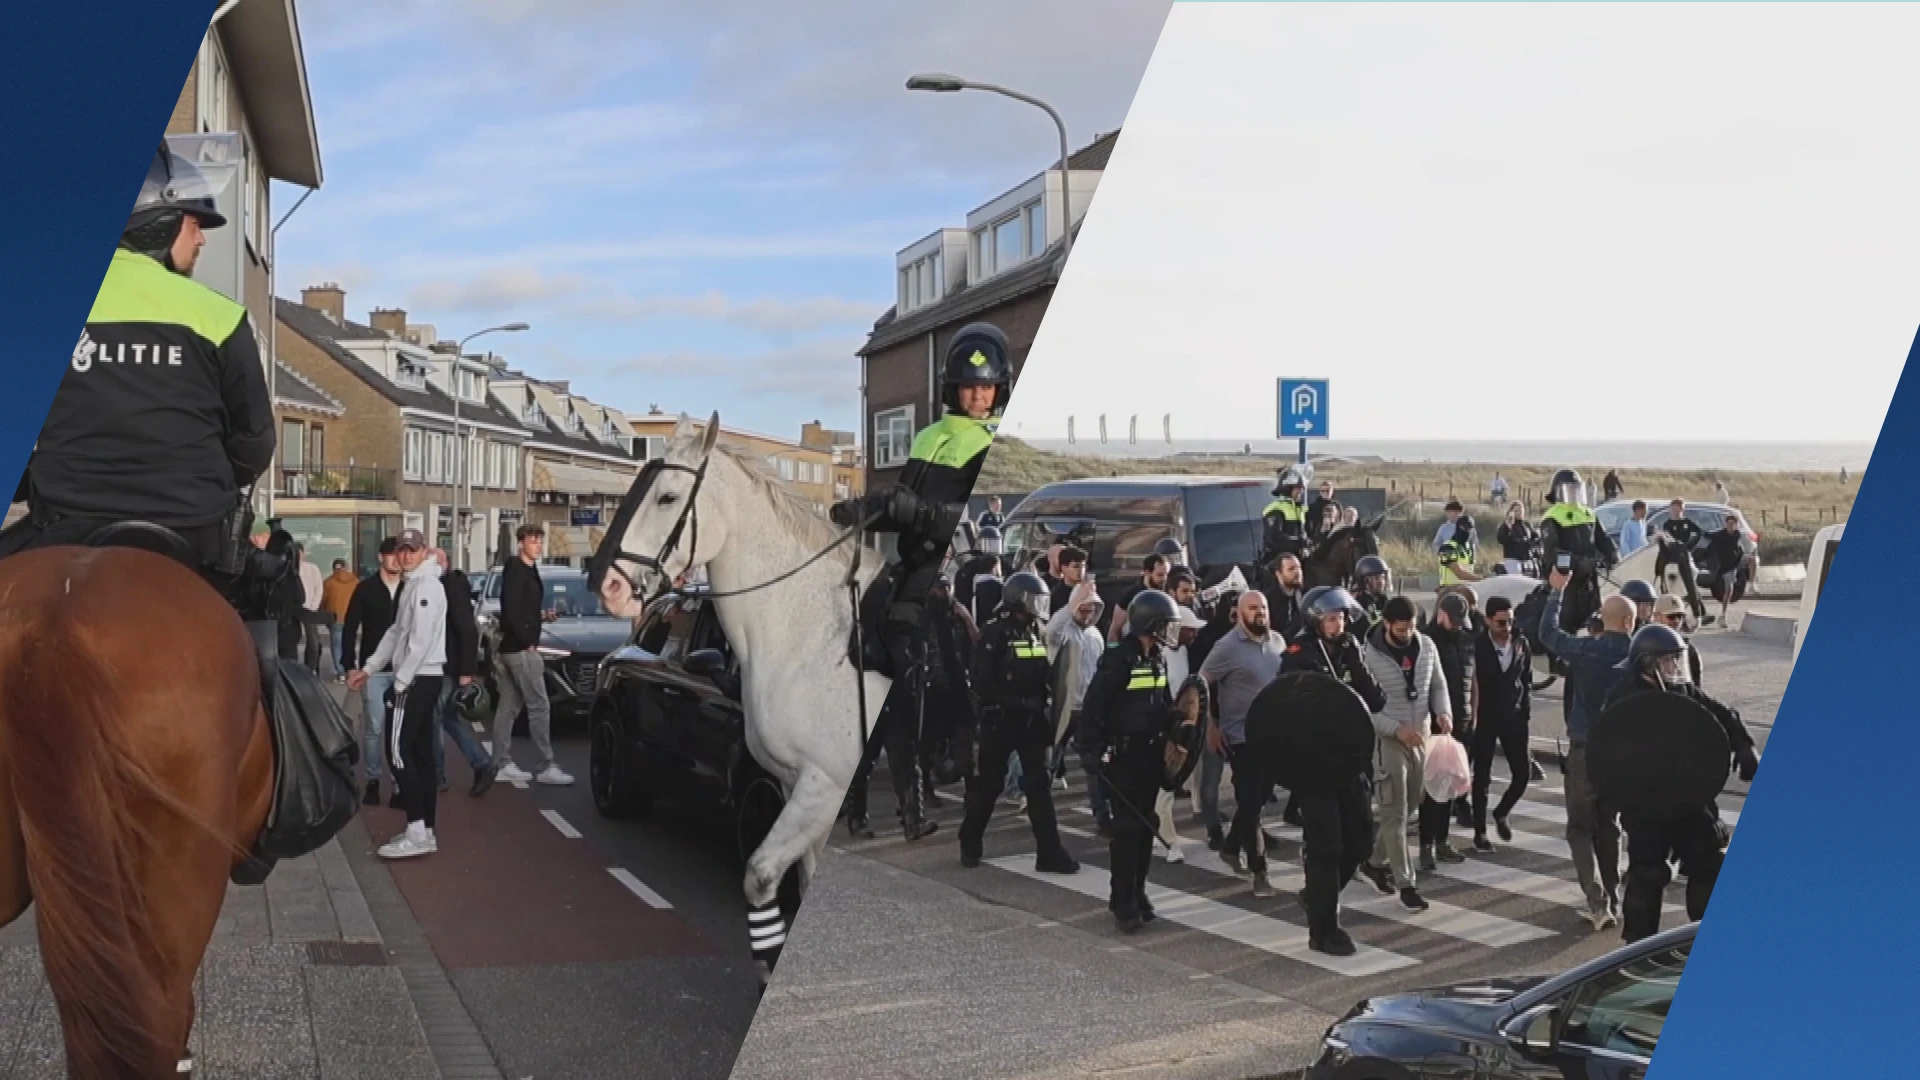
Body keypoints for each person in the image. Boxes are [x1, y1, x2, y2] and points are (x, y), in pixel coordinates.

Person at [0, 143, 279, 667]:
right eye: (195, 224)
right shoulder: (218, 316)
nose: (199, 240)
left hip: (62, 522)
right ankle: (307, 740)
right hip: (193, 532)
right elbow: (254, 441)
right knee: (262, 652)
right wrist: (213, 479)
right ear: (159, 223)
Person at [830, 322, 1010, 837]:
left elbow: (954, 512)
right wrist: (861, 511)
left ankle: (926, 791)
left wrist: (920, 510)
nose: (979, 395)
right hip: (908, 574)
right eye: (970, 386)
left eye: (988, 386)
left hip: (940, 575)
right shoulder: (931, 437)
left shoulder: (994, 440)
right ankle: (871, 805)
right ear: (953, 388)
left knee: (940, 679)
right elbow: (901, 508)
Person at [1602, 624, 1758, 942]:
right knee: (1648, 874)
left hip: (1689, 797)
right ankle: (1638, 946)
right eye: (1668, 661)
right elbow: (1609, 752)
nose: (1676, 668)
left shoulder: (1682, 692)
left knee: (1709, 863)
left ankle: (1703, 936)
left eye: (1677, 660)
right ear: (1647, 663)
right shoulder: (1623, 700)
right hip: (1648, 803)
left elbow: (1721, 714)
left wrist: (1743, 745)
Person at [1279, 586, 1388, 956]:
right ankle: (1324, 930)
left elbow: (1376, 700)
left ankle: (1315, 897)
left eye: (1341, 617)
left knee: (1359, 841)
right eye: (1330, 617)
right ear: (1315, 619)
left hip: (1350, 759)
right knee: (1326, 848)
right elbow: (1288, 704)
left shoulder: (1349, 648)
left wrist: (1357, 664)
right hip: (1315, 764)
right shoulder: (1300, 653)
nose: (1338, 623)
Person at [960, 572, 1077, 874]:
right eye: (1033, 599)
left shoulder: (1036, 631)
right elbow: (982, 682)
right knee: (990, 785)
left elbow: (1045, 671)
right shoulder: (995, 633)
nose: (1038, 605)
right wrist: (1015, 701)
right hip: (999, 721)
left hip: (1031, 721)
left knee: (1038, 786)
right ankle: (970, 839)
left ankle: (1050, 852)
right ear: (1017, 599)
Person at [1082, 589, 1185, 933]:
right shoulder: (1118, 659)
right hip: (1123, 756)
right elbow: (1094, 706)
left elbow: (1165, 702)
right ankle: (1122, 901)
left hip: (1150, 754)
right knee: (1127, 829)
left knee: (1145, 825)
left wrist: (1178, 725)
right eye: (1164, 625)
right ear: (1148, 624)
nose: (1169, 632)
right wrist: (1091, 752)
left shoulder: (1156, 657)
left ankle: (1138, 893)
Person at [1538, 573, 1635, 930]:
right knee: (1610, 825)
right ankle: (1613, 896)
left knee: (1580, 828)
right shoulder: (1638, 654)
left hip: (1584, 749)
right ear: (1629, 622)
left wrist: (1556, 592)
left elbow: (1547, 635)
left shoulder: (1586, 651)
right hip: (1620, 754)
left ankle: (1597, 902)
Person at [348, 530, 447, 860]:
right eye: (401, 550)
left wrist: (401, 682)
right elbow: (396, 632)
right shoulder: (413, 585)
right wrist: (371, 667)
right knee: (419, 755)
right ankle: (425, 830)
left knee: (398, 752)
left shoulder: (426, 588)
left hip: (417, 677)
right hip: (421, 676)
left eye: (411, 550)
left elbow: (419, 639)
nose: (405, 556)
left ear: (422, 553)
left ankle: (418, 830)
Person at [1354, 597, 1451, 912]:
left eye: (1411, 626)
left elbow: (1438, 685)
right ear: (1387, 625)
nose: (1408, 633)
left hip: (1419, 737)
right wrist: (1396, 729)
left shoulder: (1427, 646)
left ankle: (1373, 861)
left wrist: (1443, 713)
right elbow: (1363, 707)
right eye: (1401, 628)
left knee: (1410, 807)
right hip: (1388, 741)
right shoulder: (1367, 656)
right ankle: (1406, 884)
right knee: (1394, 813)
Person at [1201, 591, 1289, 897]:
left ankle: (1230, 846)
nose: (1260, 612)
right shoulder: (1226, 647)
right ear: (1239, 613)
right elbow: (1200, 684)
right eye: (1253, 608)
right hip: (1240, 737)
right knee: (1251, 803)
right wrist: (1211, 725)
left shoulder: (1278, 642)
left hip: (1275, 735)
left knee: (1259, 798)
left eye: (1263, 607)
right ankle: (1259, 871)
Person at [493, 524, 573, 787]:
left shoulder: (527, 569)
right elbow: (511, 611)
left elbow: (523, 609)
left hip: (513, 647)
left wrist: (542, 616)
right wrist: (528, 642)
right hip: (520, 649)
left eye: (540, 540)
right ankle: (546, 764)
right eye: (533, 540)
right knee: (539, 704)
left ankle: (501, 762)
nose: (538, 545)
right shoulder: (516, 570)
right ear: (521, 543)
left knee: (509, 706)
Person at [342, 538, 405, 804]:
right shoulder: (365, 589)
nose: (396, 560)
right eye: (391, 555)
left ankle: (399, 783)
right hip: (374, 671)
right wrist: (349, 665)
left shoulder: (409, 588)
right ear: (381, 557)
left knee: (400, 730)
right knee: (375, 727)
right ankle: (373, 779)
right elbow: (349, 627)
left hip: (404, 669)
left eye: (399, 554)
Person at [430, 548, 495, 797]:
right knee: (448, 719)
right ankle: (481, 763)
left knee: (433, 720)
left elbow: (466, 629)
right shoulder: (442, 586)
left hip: (447, 665)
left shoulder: (451, 587)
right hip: (446, 663)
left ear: (443, 563)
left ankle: (438, 775)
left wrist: (466, 671)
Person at [1469, 596, 1532, 852]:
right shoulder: (1477, 646)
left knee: (1523, 773)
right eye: (1500, 623)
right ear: (1487, 621)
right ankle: (1480, 832)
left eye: (1510, 621)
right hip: (1485, 717)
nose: (1506, 628)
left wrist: (1525, 710)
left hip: (1514, 716)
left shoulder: (1520, 642)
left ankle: (1502, 812)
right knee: (1481, 776)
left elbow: (1526, 679)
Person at [1046, 579, 1109, 831]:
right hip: (1064, 705)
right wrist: (1074, 602)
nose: (1088, 614)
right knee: (1051, 759)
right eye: (1083, 609)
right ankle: (1033, 800)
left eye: (1092, 609)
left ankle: (1102, 815)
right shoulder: (1064, 631)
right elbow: (1051, 633)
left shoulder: (1095, 635)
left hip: (1088, 710)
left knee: (1094, 764)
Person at [1538, 469, 1619, 636]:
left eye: (1577, 489)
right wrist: (1580, 563)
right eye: (1570, 489)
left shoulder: (1588, 513)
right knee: (1564, 626)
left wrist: (1612, 552)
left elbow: (1602, 538)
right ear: (1558, 492)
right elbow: (1553, 554)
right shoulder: (1552, 517)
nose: (1574, 493)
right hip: (1566, 583)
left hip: (1591, 581)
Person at [1423, 592, 1477, 838]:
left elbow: (1473, 679)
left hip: (1462, 720)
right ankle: (1428, 841)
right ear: (1441, 613)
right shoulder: (1426, 641)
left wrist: (1473, 713)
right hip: (1435, 724)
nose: (1457, 625)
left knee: (1452, 783)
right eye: (1453, 620)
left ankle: (1442, 839)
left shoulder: (1466, 639)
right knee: (1432, 787)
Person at [1654, 500, 1711, 624]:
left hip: (1683, 556)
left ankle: (1698, 611)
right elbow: (1665, 540)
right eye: (1672, 509)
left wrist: (1689, 546)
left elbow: (1699, 532)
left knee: (1691, 580)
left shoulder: (1687, 523)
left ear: (1681, 510)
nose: (1674, 511)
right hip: (1671, 557)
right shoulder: (1667, 524)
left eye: (1677, 509)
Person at [1109, 553, 1172, 642]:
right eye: (1160, 575)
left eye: (1166, 574)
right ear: (1147, 572)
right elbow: (1115, 629)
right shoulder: (1131, 595)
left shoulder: (1166, 595)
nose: (1164, 579)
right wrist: (1114, 651)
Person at [1259, 463, 1314, 565]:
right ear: (1288, 489)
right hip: (1278, 562)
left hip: (1298, 559)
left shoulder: (1300, 508)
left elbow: (1305, 533)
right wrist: (1299, 543)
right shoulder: (1275, 508)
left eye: (1302, 489)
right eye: (1298, 488)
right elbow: (1275, 538)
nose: (1301, 492)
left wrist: (1308, 544)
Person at [1703, 513, 1758, 613]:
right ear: (1726, 524)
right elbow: (1709, 537)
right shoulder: (1720, 535)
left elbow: (1744, 545)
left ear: (1736, 525)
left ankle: (1752, 585)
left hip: (1738, 560)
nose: (1731, 526)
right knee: (1729, 590)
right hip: (1727, 566)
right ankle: (1723, 615)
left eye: (1733, 524)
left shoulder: (1738, 534)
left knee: (1752, 560)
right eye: (1729, 524)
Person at [1652, 593, 1704, 686]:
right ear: (1656, 617)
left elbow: (1696, 685)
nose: (1676, 621)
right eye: (1671, 616)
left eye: (1679, 616)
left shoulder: (1689, 649)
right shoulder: (1646, 646)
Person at [1254, 552, 1306, 640]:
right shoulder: (1266, 602)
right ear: (1278, 574)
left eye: (1299, 568)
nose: (1297, 572)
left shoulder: (1302, 595)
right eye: (1291, 569)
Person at [322, 557, 359, 680]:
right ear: (346, 567)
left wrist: (322, 613)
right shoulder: (355, 581)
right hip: (351, 617)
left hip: (334, 618)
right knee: (348, 643)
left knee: (336, 645)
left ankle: (341, 672)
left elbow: (324, 599)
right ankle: (349, 668)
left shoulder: (329, 582)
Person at [1350, 555, 1392, 638]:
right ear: (1365, 580)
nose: (1381, 582)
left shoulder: (1383, 600)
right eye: (1377, 578)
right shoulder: (1357, 602)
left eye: (1383, 577)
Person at [1496, 501, 1539, 574]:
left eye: (1521, 510)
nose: (1519, 513)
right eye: (1516, 511)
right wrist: (1508, 527)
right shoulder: (1506, 525)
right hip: (1513, 560)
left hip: (1527, 560)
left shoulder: (1527, 525)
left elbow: (1535, 538)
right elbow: (1501, 539)